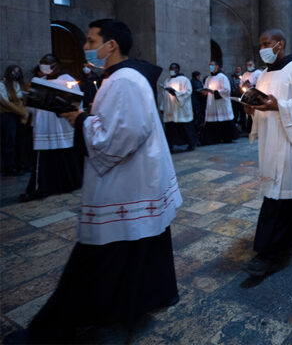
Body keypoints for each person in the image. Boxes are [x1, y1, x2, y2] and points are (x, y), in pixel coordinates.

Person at [10, 19, 183, 343]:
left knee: (98, 255)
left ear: (111, 45)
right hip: (137, 181)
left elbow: (122, 135)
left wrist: (81, 119)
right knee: (140, 243)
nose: (87, 48)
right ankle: (151, 297)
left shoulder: (125, 80)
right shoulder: (119, 78)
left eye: (91, 42)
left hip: (125, 183)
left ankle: (56, 329)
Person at [243, 28, 292, 276]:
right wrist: (252, 110)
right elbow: (262, 106)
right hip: (270, 141)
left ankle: (268, 252)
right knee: (286, 196)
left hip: (290, 143)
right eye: (260, 43)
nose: (263, 47)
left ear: (281, 44)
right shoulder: (263, 75)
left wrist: (280, 106)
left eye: (267, 42)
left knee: (280, 197)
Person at [19, 55, 83, 202]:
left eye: (47, 63)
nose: (44, 66)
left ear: (56, 65)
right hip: (44, 125)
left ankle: (69, 184)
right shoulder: (38, 82)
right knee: (44, 157)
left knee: (64, 154)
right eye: (42, 63)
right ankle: (41, 188)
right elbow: (31, 106)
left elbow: (76, 104)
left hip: (61, 123)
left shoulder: (68, 81)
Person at [159, 63, 196, 152]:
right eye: (170, 69)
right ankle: (170, 146)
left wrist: (176, 93)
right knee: (170, 128)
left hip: (181, 109)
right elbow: (164, 95)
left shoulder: (184, 80)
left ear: (178, 70)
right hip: (170, 108)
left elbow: (188, 92)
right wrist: (162, 107)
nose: (172, 70)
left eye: (173, 69)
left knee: (185, 127)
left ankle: (191, 144)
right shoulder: (167, 80)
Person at [0, 65, 30, 176]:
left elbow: (26, 100)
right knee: (10, 140)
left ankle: (21, 164)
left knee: (21, 140)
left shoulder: (21, 85)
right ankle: (9, 166)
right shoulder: (2, 85)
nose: (16, 73)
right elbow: (5, 102)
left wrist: (25, 112)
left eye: (18, 71)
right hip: (8, 114)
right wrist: (21, 111)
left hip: (21, 115)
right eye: (14, 71)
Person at [201, 60, 237, 144]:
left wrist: (215, 92)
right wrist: (205, 92)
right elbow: (205, 88)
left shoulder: (222, 77)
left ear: (217, 66)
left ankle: (227, 138)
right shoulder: (208, 78)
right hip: (212, 102)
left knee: (224, 120)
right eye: (210, 65)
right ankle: (214, 139)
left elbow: (227, 90)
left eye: (212, 65)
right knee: (213, 121)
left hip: (221, 103)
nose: (211, 66)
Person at [240, 59, 262, 132]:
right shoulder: (245, 74)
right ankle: (250, 129)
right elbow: (241, 84)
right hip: (248, 96)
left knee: (256, 112)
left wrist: (253, 85)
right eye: (248, 65)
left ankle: (258, 130)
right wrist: (243, 85)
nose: (249, 66)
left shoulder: (258, 73)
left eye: (250, 65)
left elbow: (262, 83)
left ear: (254, 65)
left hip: (256, 95)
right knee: (249, 113)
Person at [191, 70, 205, 142]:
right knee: (197, 119)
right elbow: (199, 90)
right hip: (197, 103)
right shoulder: (195, 82)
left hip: (196, 103)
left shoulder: (194, 82)